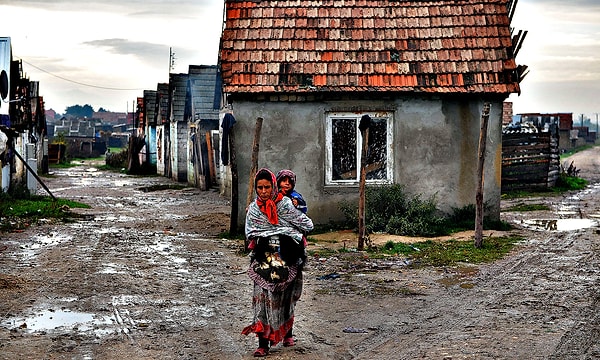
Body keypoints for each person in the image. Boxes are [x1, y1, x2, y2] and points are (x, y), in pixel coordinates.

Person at [242, 168, 314, 357]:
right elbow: (250, 232)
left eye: (267, 187)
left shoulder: (286, 205)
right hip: (263, 260)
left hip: (287, 258)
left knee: (285, 299)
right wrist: (268, 234)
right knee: (262, 301)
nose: (264, 191)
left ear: (273, 186)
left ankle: (287, 332)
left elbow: (307, 224)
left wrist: (285, 230)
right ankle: (263, 344)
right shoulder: (255, 209)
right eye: (260, 188)